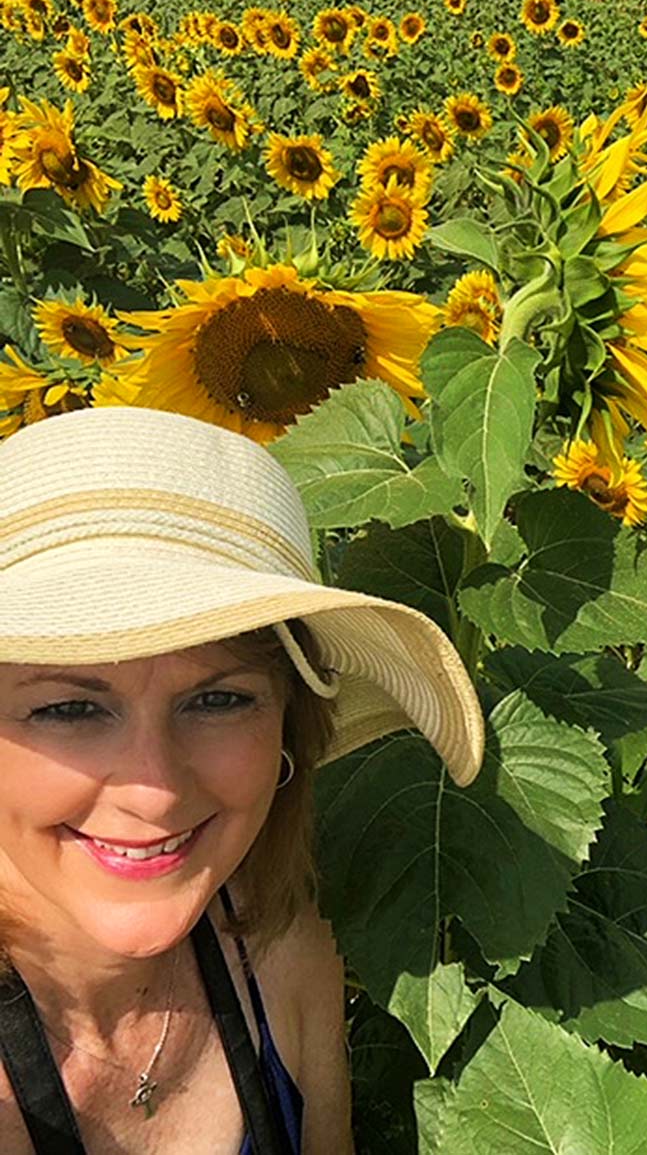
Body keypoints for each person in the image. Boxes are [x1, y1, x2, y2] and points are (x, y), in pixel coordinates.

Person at [0, 404, 484, 1154]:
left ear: (290, 727)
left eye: (219, 699)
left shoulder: (282, 945)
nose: (154, 787)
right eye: (68, 708)